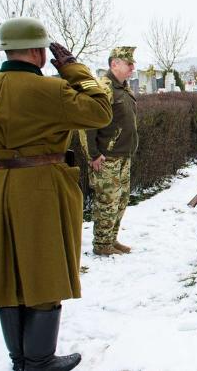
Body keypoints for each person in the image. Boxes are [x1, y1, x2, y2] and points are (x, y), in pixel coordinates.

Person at [0, 17, 112, 370]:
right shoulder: (50, 91)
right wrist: (74, 69)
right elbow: (101, 111)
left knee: (8, 275)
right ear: (37, 51)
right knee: (45, 272)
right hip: (41, 187)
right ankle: (40, 360)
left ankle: (20, 358)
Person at [81, 47, 139, 256]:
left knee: (121, 200)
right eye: (128, 63)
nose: (133, 67)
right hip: (107, 158)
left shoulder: (122, 88)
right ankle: (102, 243)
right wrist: (94, 154)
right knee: (107, 201)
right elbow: (87, 123)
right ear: (114, 64)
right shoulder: (103, 88)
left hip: (123, 155)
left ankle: (111, 239)